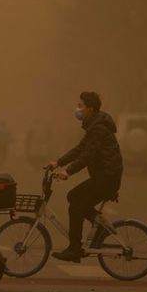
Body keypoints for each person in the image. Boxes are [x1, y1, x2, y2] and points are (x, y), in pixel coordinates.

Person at [47, 91, 123, 263]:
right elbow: (80, 149)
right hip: (105, 177)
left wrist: (68, 172)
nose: (77, 109)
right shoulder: (94, 126)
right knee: (74, 197)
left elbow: (87, 155)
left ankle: (74, 249)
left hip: (107, 178)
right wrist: (58, 162)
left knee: (75, 203)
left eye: (80, 106)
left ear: (90, 109)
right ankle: (100, 226)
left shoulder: (98, 129)